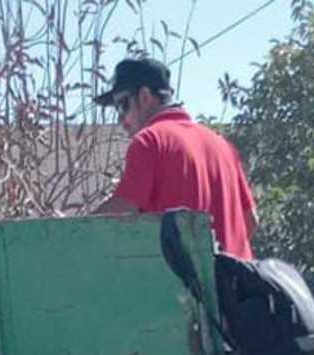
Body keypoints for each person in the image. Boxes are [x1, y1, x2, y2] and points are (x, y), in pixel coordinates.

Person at [94, 57, 257, 259]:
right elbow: (250, 221)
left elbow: (118, 214)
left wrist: (68, 230)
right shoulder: (223, 146)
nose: (120, 118)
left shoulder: (150, 140)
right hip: (235, 285)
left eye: (122, 105)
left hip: (181, 287)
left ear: (145, 96)